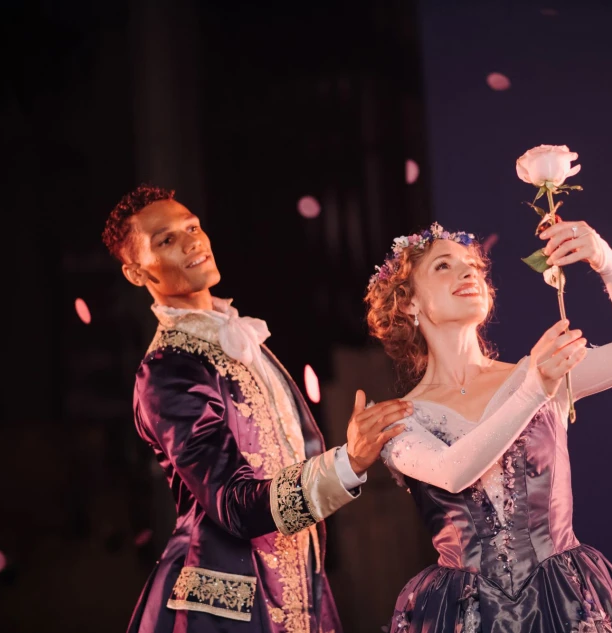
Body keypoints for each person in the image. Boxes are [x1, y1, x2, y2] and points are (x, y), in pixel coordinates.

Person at [103, 184, 409, 633]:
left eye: (191, 226)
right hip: (231, 606)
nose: (191, 241)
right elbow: (232, 503)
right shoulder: (168, 370)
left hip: (300, 584)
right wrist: (348, 463)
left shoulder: (236, 337)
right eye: (165, 240)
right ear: (136, 273)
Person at [364, 221, 612, 632]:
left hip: (565, 601)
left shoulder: (539, 371)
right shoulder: (399, 418)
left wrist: (605, 260)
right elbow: (453, 473)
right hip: (467, 613)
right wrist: (534, 388)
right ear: (408, 303)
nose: (468, 273)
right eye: (443, 267)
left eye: (472, 265)